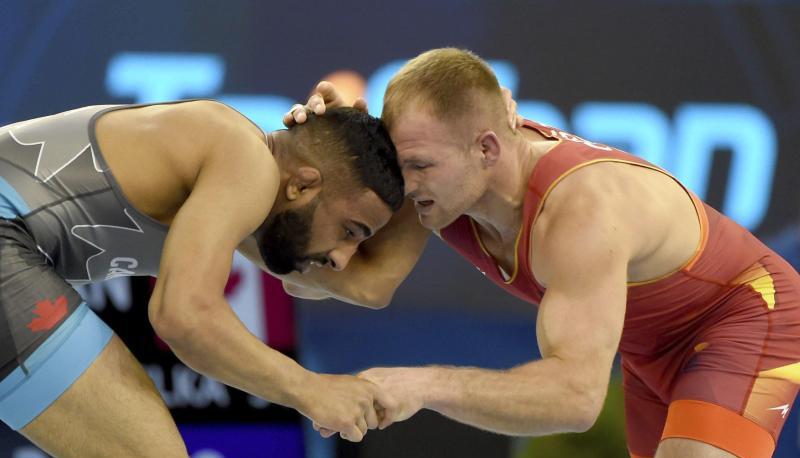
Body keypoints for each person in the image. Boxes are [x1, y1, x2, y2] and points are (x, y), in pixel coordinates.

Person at [285, 48, 800, 458]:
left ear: (487, 150)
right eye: (401, 167)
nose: (406, 185)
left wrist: (421, 384)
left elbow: (574, 399)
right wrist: (310, 167)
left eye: (419, 166)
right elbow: (357, 284)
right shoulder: (449, 177)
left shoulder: (580, 211)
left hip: (747, 314)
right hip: (647, 348)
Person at [0, 99, 404, 456]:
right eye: (350, 231)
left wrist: (420, 174)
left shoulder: (236, 192)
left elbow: (371, 286)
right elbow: (183, 316)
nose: (342, 258)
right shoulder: (249, 161)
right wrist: (311, 389)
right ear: (301, 184)